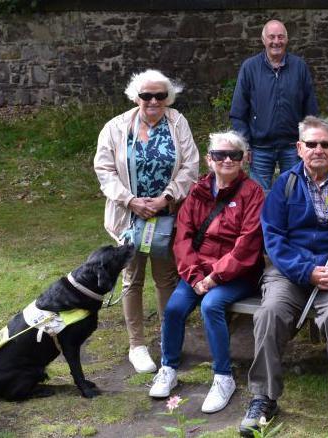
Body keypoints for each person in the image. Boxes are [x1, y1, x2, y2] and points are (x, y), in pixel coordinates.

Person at [239, 116, 328, 436]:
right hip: (291, 272)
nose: (318, 149)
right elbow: (273, 238)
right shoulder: (284, 185)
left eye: (325, 144)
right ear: (299, 148)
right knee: (270, 313)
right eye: (311, 144)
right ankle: (263, 398)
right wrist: (305, 271)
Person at [147, 131, 264, 414]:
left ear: (244, 159)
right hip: (198, 271)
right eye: (220, 155)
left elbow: (247, 244)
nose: (227, 160)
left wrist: (214, 277)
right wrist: (196, 275)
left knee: (212, 305)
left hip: (236, 273)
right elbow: (183, 237)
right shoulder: (197, 191)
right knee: (174, 308)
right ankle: (168, 367)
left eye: (234, 155)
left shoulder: (253, 193)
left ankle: (223, 376)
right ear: (209, 159)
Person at [94, 69, 199, 374]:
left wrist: (166, 197)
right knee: (132, 279)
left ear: (168, 97)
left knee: (167, 279)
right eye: (146, 95)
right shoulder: (115, 127)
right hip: (130, 216)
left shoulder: (178, 122)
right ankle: (137, 345)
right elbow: (104, 169)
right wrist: (130, 201)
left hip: (167, 214)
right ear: (135, 96)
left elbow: (191, 165)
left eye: (160, 95)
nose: (153, 101)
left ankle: (169, 340)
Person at [230, 19, 319, 190]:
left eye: (280, 37)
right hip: (260, 147)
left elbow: (310, 109)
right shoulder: (250, 68)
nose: (276, 41)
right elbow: (238, 111)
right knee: (258, 198)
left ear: (287, 39)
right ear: (263, 40)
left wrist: (309, 141)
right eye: (271, 37)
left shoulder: (299, 66)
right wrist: (245, 144)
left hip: (293, 146)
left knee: (294, 193)